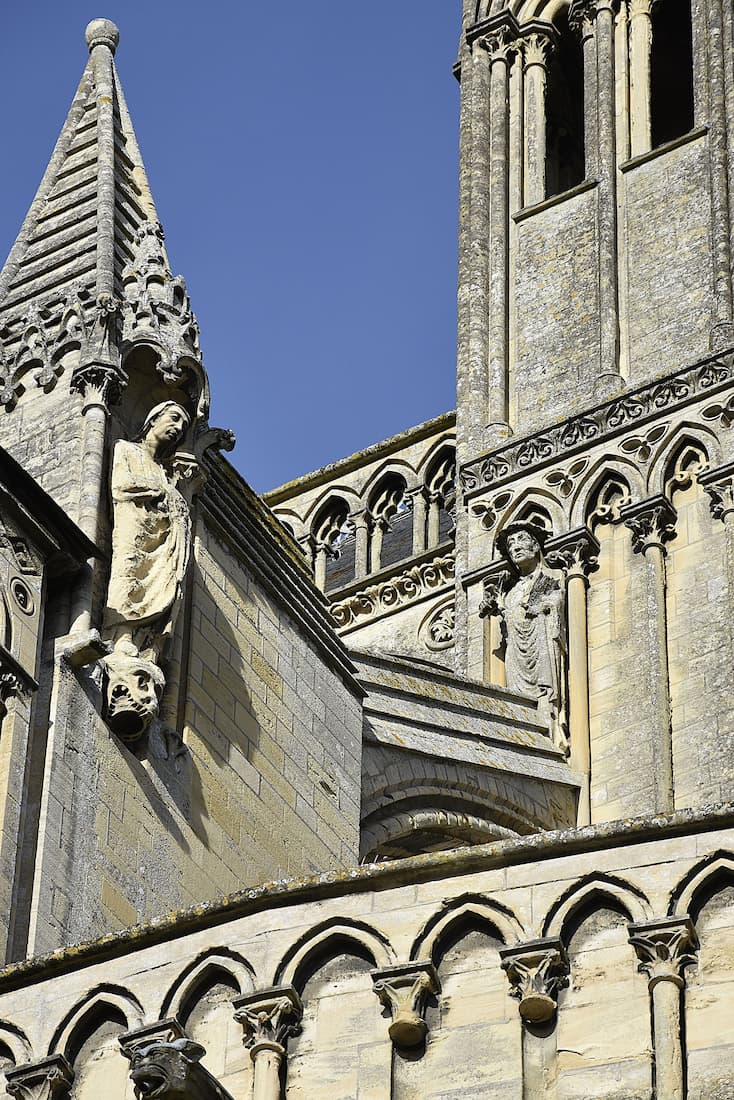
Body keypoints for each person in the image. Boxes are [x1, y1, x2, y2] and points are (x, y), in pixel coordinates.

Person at [103, 401, 192, 663]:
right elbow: (121, 487)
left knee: (165, 586)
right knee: (128, 573)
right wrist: (161, 492)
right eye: (174, 418)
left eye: (183, 427)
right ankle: (120, 635)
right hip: (134, 525)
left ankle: (144, 641)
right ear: (153, 419)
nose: (177, 427)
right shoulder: (126, 449)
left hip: (162, 537)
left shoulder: (164, 473)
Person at [495, 522, 568, 751]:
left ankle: (551, 729)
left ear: (536, 546)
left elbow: (557, 601)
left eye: (521, 540)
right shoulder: (511, 591)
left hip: (542, 643)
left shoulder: (553, 576)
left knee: (545, 694)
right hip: (516, 653)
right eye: (511, 544)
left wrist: (544, 607)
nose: (515, 547)